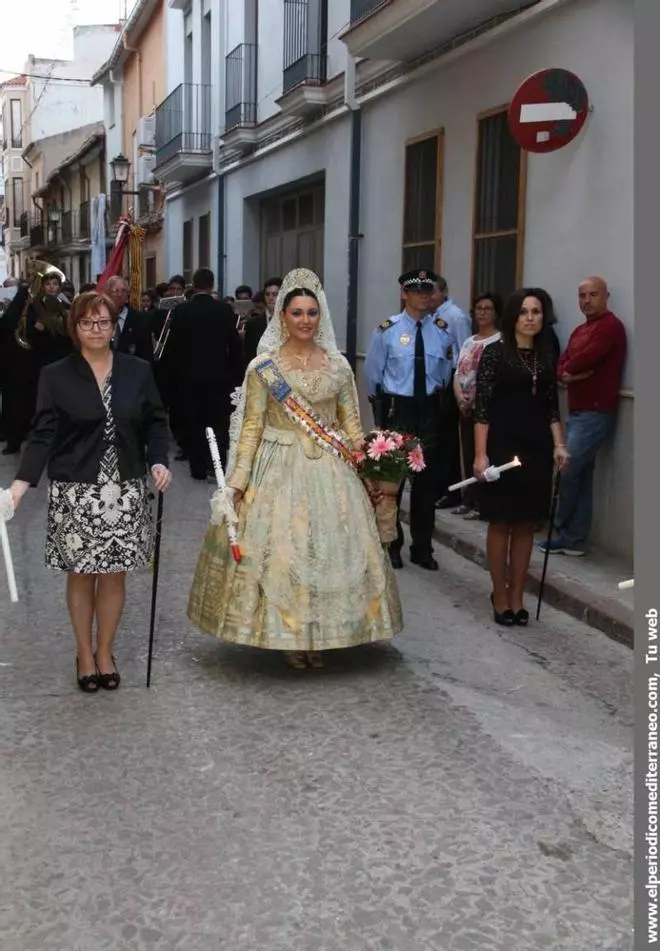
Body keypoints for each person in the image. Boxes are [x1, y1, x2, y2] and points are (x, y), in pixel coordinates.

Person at [187, 267, 402, 669]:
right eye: (297, 313)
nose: (305, 320)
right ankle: (291, 635)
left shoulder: (338, 366)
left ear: (321, 316)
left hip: (331, 470)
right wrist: (237, 483)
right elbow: (252, 427)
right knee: (285, 552)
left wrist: (379, 459)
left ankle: (322, 634)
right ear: (282, 317)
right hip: (278, 466)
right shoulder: (264, 367)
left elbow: (352, 425)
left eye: (312, 313)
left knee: (329, 550)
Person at [8, 291, 171, 692]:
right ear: (74, 328)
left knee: (114, 574)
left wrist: (158, 460)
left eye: (103, 322)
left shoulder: (137, 370)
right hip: (76, 490)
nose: (96, 330)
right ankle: (84, 653)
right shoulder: (56, 375)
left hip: (125, 489)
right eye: (86, 323)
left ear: (114, 326)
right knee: (81, 574)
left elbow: (155, 420)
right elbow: (43, 434)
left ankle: (105, 652)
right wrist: (19, 486)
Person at [473, 289, 570, 626]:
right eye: (524, 311)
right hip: (501, 445)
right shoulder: (495, 353)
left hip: (537, 448)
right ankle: (499, 593)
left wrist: (559, 444)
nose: (530, 318)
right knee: (501, 521)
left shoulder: (546, 355)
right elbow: (481, 408)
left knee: (526, 523)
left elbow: (551, 407)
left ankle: (517, 594)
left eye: (536, 312)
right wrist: (480, 455)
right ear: (513, 316)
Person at [365, 269, 454, 571]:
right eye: (416, 291)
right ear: (404, 294)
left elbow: (445, 373)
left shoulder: (442, 331)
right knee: (393, 482)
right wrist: (382, 411)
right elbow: (373, 375)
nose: (423, 296)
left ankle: (422, 547)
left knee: (426, 486)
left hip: (429, 411)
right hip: (398, 410)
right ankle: (392, 543)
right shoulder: (387, 331)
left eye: (427, 291)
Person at [539, 276, 627, 556]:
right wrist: (569, 374)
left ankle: (564, 532)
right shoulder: (580, 330)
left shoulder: (610, 327)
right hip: (578, 411)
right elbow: (561, 364)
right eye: (582, 296)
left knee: (567, 469)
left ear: (606, 296)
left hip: (596, 412)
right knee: (582, 475)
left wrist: (570, 371)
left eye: (593, 295)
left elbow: (586, 358)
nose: (587, 301)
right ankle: (575, 538)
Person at [167, 267, 243, 479]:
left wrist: (175, 377)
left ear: (193, 284)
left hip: (189, 378)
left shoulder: (182, 311)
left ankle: (197, 467)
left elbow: (173, 348)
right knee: (218, 423)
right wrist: (234, 375)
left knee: (194, 422)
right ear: (212, 285)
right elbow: (234, 346)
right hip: (218, 378)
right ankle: (216, 464)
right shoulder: (224, 310)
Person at [452, 292, 503, 519]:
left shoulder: (499, 341)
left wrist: (474, 398)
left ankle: (482, 503)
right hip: (464, 406)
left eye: (488, 308)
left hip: (485, 408)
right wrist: (459, 397)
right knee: (467, 452)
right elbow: (458, 372)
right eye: (479, 308)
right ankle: (469, 498)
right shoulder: (469, 341)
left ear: (496, 313)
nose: (482, 312)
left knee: (483, 453)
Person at [429, 277, 471, 510]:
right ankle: (436, 487)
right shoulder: (430, 316)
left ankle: (451, 491)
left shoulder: (456, 317)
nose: (429, 297)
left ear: (444, 292)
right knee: (435, 439)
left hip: (450, 381)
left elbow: (465, 352)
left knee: (448, 440)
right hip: (433, 382)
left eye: (433, 292)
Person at [105, 276, 154, 361]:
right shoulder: (101, 318)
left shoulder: (140, 319)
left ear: (127, 297)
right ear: (107, 295)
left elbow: (146, 355)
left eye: (123, 291)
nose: (120, 295)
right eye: (116, 291)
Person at [243, 276, 283, 365]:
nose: (270, 298)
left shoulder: (292, 322)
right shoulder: (253, 324)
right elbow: (249, 356)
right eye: (267, 294)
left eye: (274, 294)